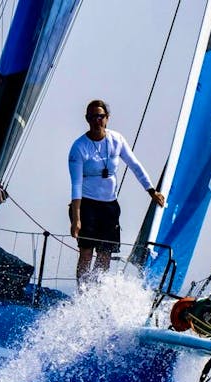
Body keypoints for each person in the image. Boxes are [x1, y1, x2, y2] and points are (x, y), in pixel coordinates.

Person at [68, 99, 165, 284]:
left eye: (100, 116)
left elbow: (134, 165)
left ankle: (96, 293)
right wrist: (76, 218)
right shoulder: (79, 147)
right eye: (93, 117)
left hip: (110, 206)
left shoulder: (117, 140)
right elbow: (76, 185)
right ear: (87, 119)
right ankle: (83, 292)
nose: (97, 120)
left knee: (105, 254)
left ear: (107, 118)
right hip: (87, 205)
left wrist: (151, 190)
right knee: (87, 252)